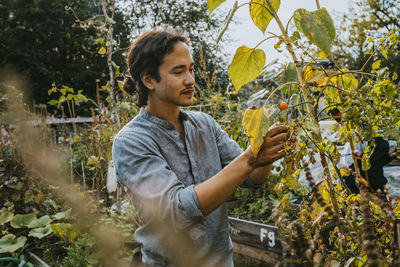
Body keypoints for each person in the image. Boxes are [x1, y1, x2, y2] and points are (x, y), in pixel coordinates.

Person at [112, 29, 288, 267]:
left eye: (191, 69)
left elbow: (253, 179)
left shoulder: (204, 124)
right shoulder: (132, 141)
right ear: (149, 80)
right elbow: (177, 211)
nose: (191, 80)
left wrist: (265, 151)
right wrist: (250, 158)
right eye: (178, 71)